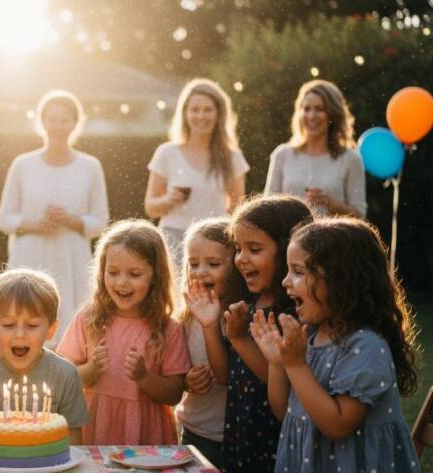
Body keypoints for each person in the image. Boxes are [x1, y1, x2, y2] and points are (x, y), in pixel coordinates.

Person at [252, 218, 421, 472]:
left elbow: (337, 426)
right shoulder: (310, 337)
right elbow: (283, 410)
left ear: (341, 281)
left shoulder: (366, 346)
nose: (285, 281)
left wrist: (295, 365)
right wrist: (278, 363)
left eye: (298, 272)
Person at [57, 219, 189, 445]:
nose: (121, 282)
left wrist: (144, 377)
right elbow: (66, 379)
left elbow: (174, 394)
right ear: (102, 272)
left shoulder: (168, 328)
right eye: (113, 272)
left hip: (146, 437)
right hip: (95, 427)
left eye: (134, 274)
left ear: (156, 277)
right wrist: (91, 370)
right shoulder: (88, 319)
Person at [207, 195, 314, 472]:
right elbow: (226, 375)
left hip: (272, 438)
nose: (241, 259)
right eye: (237, 248)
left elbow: (281, 381)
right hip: (242, 431)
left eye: (254, 249)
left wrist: (240, 339)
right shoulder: (247, 303)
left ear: (288, 251)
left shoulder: (293, 315)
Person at [0, 90, 109, 346]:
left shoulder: (90, 166)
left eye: (65, 120)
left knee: (71, 331)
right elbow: (5, 218)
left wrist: (70, 219)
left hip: (71, 258)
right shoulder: (22, 164)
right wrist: (36, 225)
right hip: (30, 256)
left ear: (75, 123)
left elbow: (100, 220)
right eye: (52, 119)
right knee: (24, 319)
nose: (58, 126)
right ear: (42, 122)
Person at [0, 268, 89, 446]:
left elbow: (73, 436)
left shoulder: (65, 374)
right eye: (8, 325)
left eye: (32, 325)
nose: (20, 334)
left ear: (51, 329)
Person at [144, 78, 249, 267]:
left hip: (214, 242)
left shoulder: (233, 157)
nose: (201, 116)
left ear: (219, 114)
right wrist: (168, 200)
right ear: (185, 113)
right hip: (173, 239)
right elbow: (150, 207)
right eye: (195, 109)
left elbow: (237, 210)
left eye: (208, 110)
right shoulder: (167, 153)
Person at [175, 217, 247, 467]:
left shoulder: (240, 316)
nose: (200, 271)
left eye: (213, 263)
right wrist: (186, 381)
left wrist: (211, 325)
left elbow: (225, 375)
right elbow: (175, 372)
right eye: (193, 263)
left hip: (234, 435)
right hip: (194, 432)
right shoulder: (185, 318)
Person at [264, 79, 366, 217]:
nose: (311, 116)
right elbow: (268, 209)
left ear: (333, 114)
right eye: (306, 109)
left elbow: (360, 215)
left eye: (319, 109)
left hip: (334, 232)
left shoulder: (351, 159)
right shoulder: (282, 155)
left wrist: (330, 203)